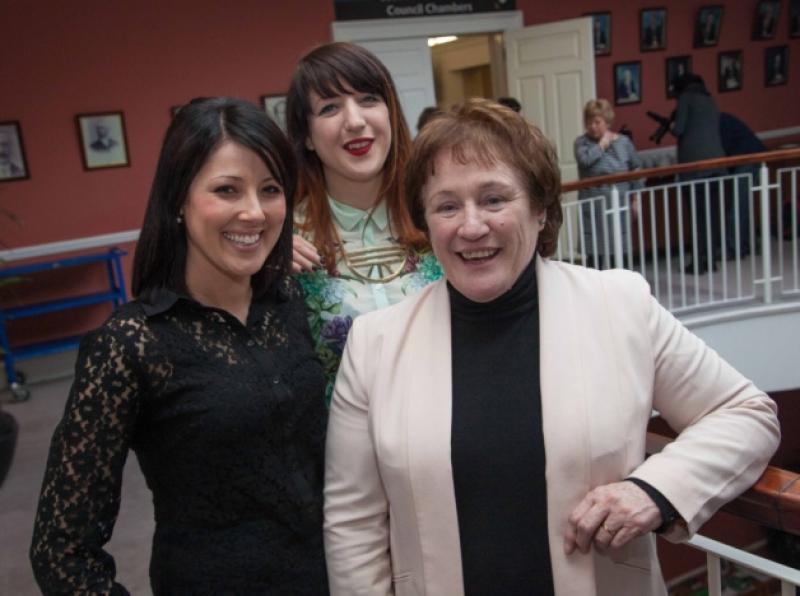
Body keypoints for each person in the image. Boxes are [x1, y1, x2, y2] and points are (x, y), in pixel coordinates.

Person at [324, 98, 780, 596]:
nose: (471, 227)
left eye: (495, 199)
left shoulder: (618, 305)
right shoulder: (375, 344)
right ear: (427, 221)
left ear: (541, 209)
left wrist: (656, 490)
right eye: (447, 205)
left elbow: (746, 413)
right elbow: (353, 525)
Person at [30, 97, 329, 594]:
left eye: (270, 189)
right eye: (227, 189)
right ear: (178, 201)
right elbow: (61, 551)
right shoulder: (132, 344)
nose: (254, 212)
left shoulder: (294, 303)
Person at [285, 42, 442, 400]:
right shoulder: (282, 238)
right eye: (329, 108)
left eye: (369, 99)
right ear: (306, 136)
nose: (355, 121)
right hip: (340, 446)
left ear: (390, 113)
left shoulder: (440, 214)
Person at [574, 99, 643, 269]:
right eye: (588, 122)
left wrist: (636, 198)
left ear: (607, 121)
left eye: (597, 122)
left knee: (619, 249)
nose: (592, 126)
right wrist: (602, 145)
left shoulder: (624, 142)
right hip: (593, 204)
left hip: (619, 202)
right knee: (593, 254)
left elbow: (636, 168)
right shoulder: (581, 143)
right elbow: (585, 161)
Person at [673, 74, 726, 273]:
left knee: (697, 217)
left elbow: (679, 129)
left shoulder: (685, 99)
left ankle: (698, 262)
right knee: (712, 216)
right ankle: (711, 259)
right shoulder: (709, 99)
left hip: (694, 168)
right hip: (717, 165)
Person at [719, 112, 766, 259]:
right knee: (742, 206)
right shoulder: (722, 119)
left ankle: (736, 248)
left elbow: (725, 151)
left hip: (748, 160)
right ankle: (747, 243)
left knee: (739, 207)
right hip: (753, 157)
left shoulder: (718, 124)